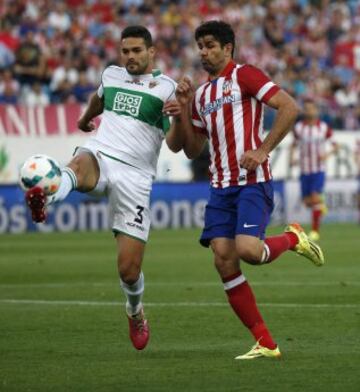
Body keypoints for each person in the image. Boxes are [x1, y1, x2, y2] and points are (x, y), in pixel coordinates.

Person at [168, 20, 325, 360]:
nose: (204, 52)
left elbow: (289, 107)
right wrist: (181, 111)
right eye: (200, 46)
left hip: (252, 181)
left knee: (249, 251)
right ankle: (267, 343)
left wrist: (263, 149)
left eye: (210, 45)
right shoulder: (199, 95)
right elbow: (191, 149)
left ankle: (293, 238)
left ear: (228, 48)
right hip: (219, 188)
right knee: (224, 260)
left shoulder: (245, 75)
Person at [24, 25, 183, 351]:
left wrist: (179, 118)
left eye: (137, 51)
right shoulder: (111, 75)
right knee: (79, 164)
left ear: (152, 52)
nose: (130, 57)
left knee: (128, 270)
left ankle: (135, 310)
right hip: (101, 153)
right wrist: (84, 120)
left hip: (136, 177)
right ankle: (47, 197)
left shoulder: (166, 88)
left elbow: (174, 143)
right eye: (125, 51)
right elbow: (99, 99)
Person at [290, 99, 339, 241]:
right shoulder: (299, 127)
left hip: (318, 169)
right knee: (307, 202)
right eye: (306, 108)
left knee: (314, 197)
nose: (309, 111)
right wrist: (292, 158)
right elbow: (293, 144)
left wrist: (327, 155)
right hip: (304, 169)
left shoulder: (323, 127)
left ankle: (315, 231)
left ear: (316, 110)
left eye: (311, 108)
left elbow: (336, 145)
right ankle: (321, 204)